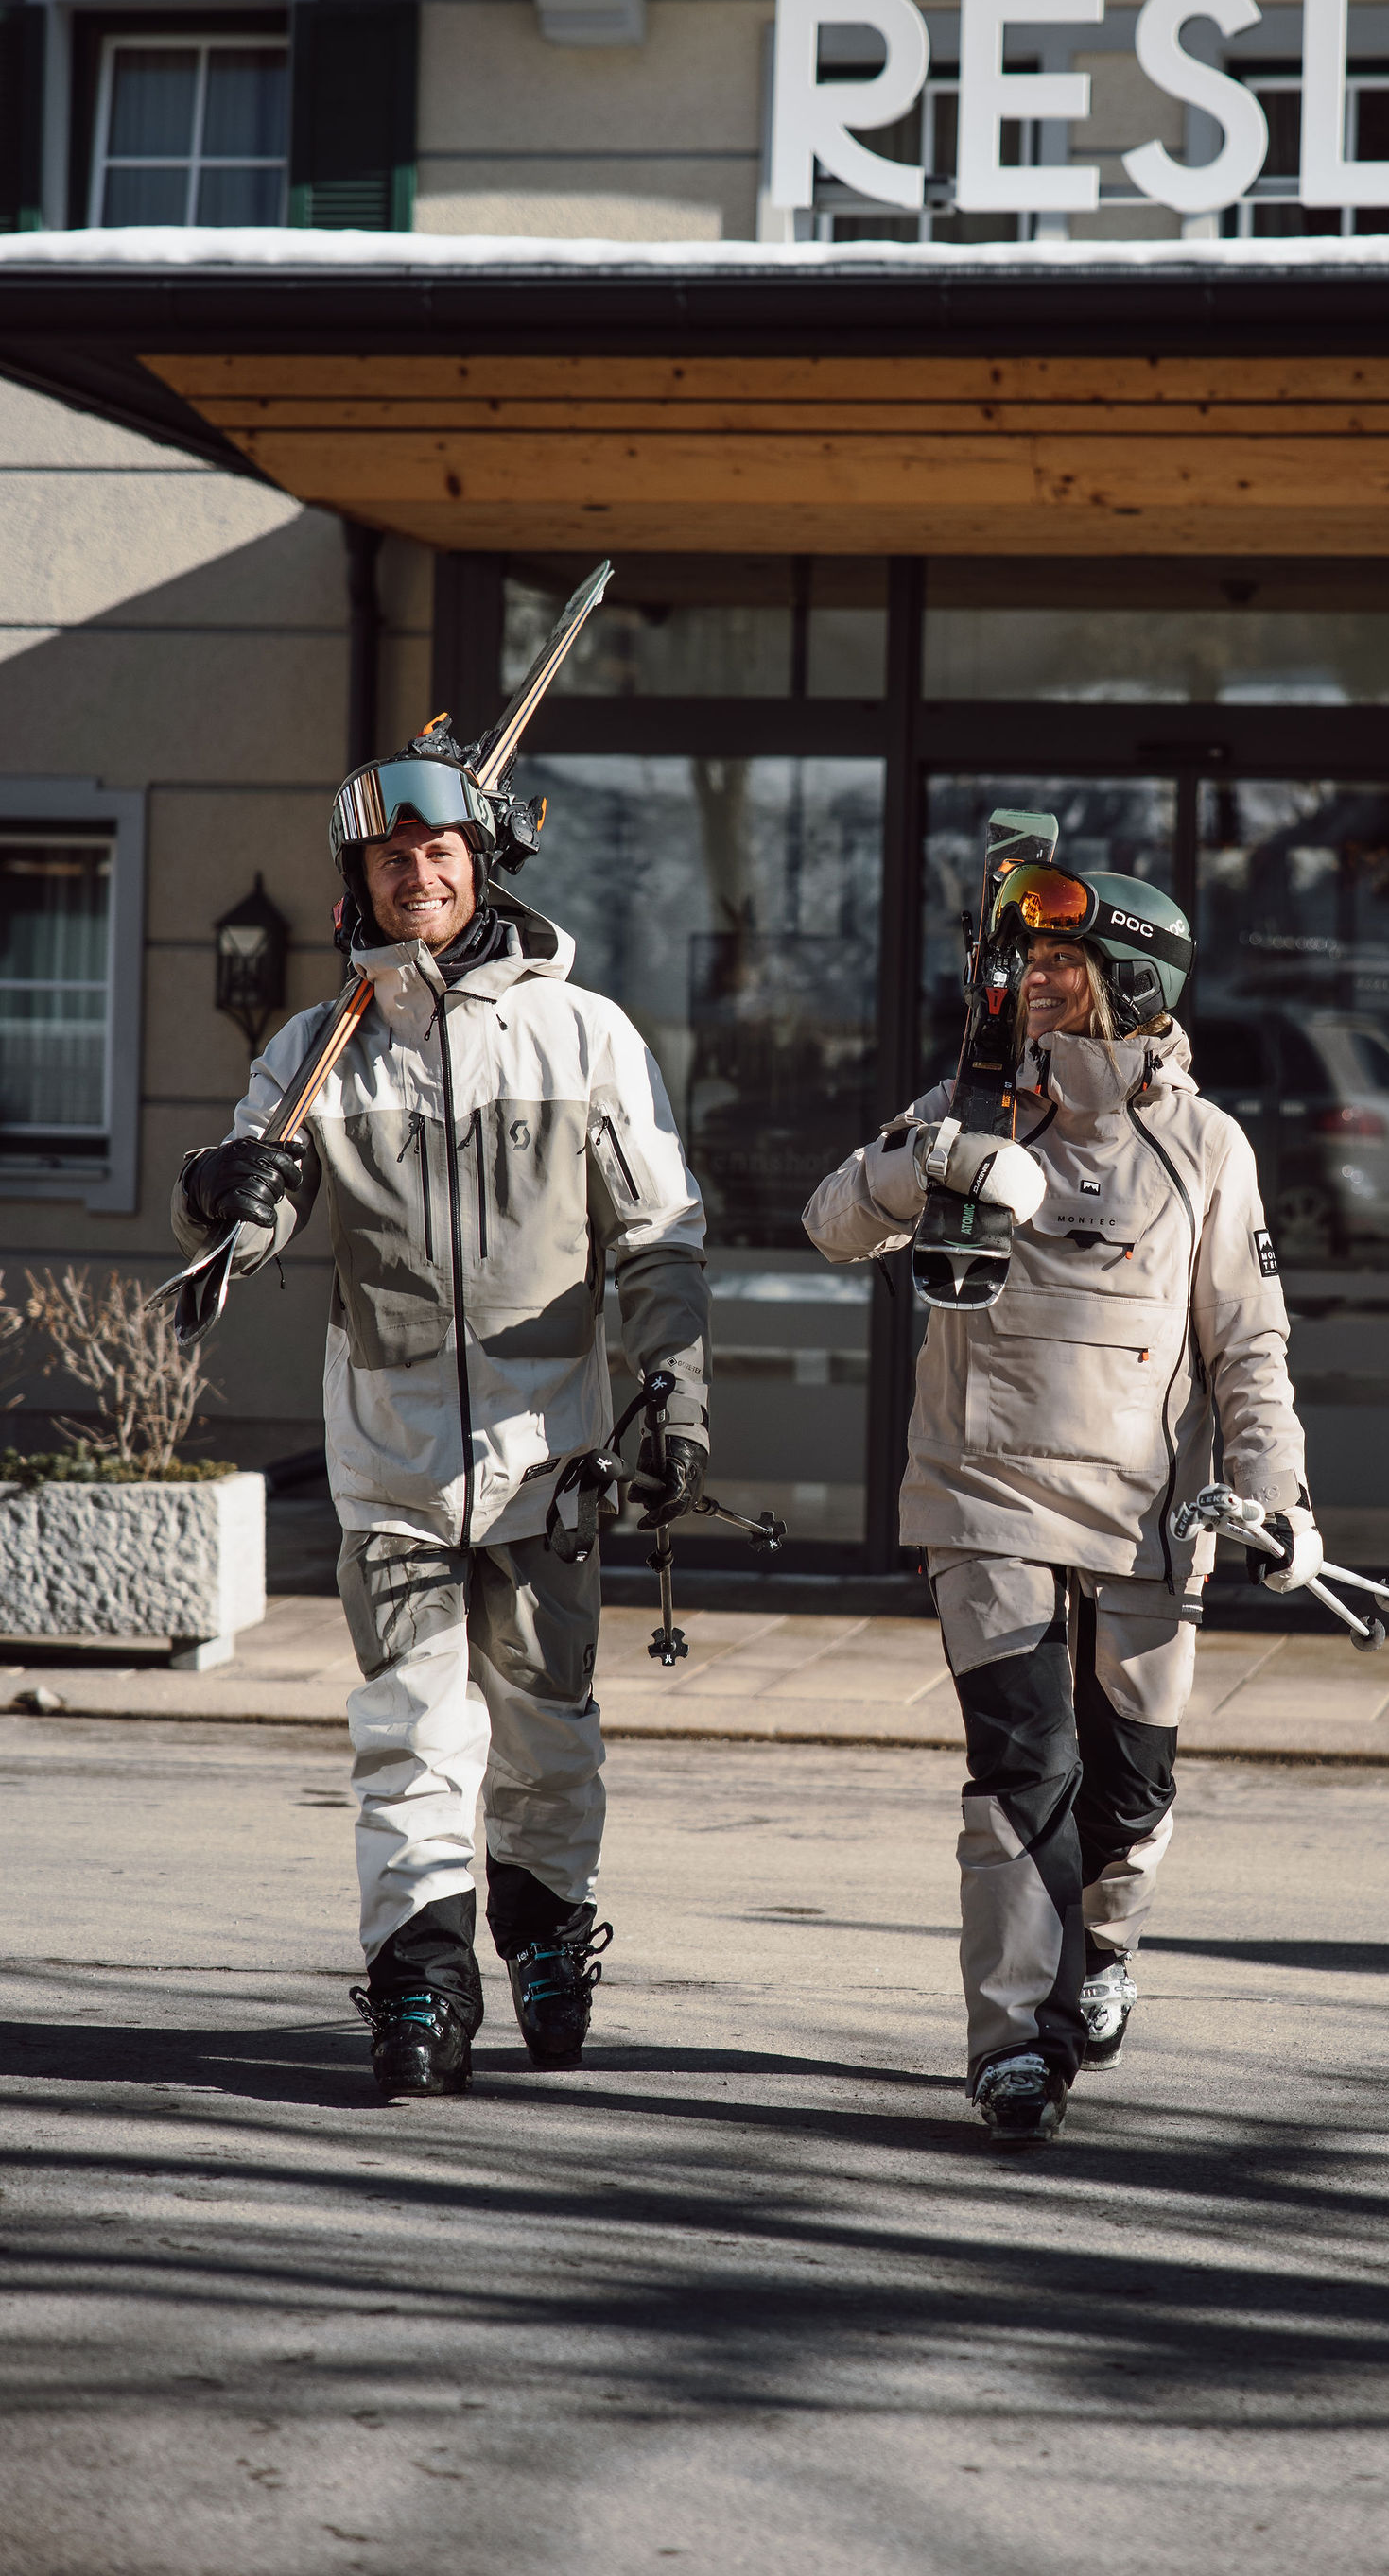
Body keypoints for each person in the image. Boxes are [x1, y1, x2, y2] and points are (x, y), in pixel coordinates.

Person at [171, 729, 709, 2101]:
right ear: (361, 879)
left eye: (440, 851)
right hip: (393, 1458)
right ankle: (421, 1971)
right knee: (409, 1728)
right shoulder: (317, 1047)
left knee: (545, 1729)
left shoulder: (583, 1034)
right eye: (392, 857)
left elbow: (655, 1235)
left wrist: (671, 1387)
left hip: (555, 1457)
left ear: (482, 865)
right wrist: (226, 1194)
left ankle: (540, 1938)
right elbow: (266, 1191)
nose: (419, 873)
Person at [803, 858, 1319, 2145]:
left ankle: (1102, 1946)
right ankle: (1014, 2044)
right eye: (1023, 964)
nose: (1029, 985)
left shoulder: (1206, 1146)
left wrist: (1273, 1496)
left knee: (1128, 1785)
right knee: (1021, 1769)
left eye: (1058, 967)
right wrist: (921, 1165)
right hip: (979, 1495)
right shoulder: (970, 1103)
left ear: (1132, 981)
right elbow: (827, 1226)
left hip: (1148, 1513)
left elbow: (1248, 1349)